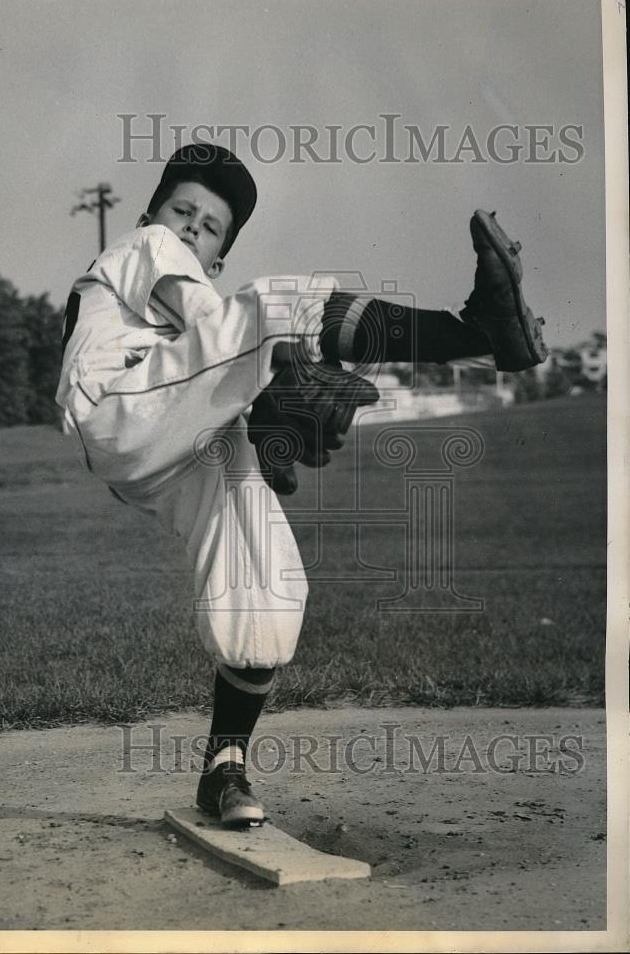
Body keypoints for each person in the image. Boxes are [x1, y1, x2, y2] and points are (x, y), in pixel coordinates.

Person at [56, 142, 547, 828]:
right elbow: (212, 316)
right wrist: (274, 377)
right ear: (151, 214)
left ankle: (223, 769)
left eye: (209, 227)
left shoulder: (205, 332)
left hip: (180, 430)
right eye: (182, 210)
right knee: (277, 304)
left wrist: (260, 396)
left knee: (269, 584)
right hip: (114, 405)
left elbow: (213, 338)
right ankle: (477, 335)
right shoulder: (140, 248)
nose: (190, 226)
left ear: (217, 257)